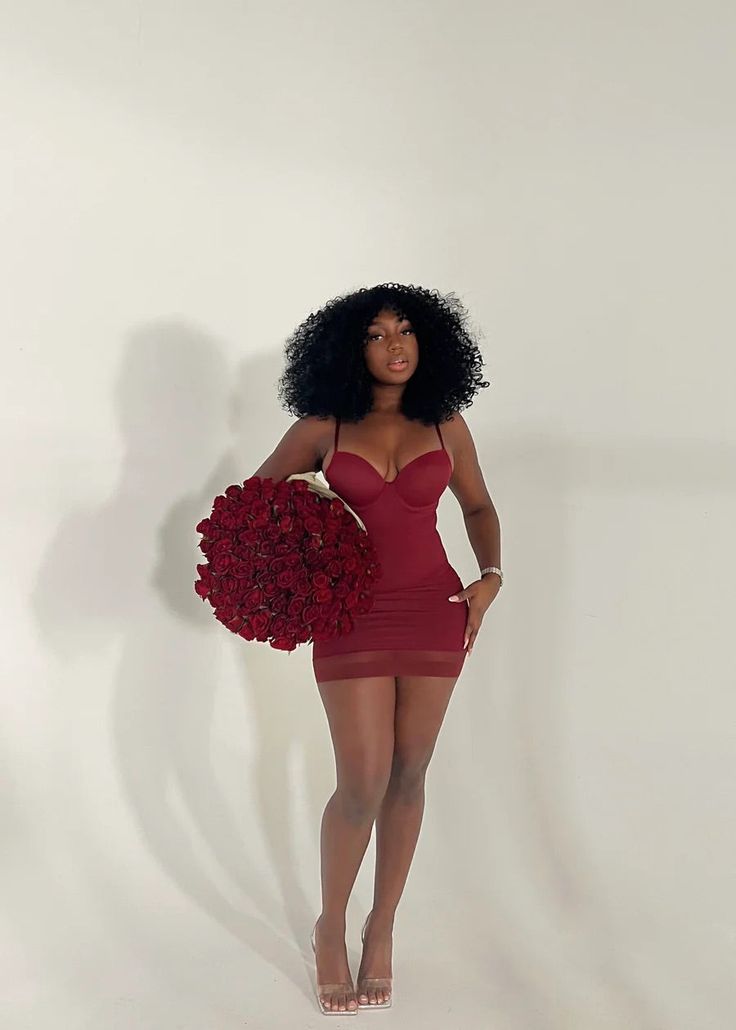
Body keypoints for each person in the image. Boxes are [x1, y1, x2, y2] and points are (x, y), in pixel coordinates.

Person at [252, 282, 502, 1014]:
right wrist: (316, 508)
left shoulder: (445, 423)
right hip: (350, 614)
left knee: (409, 772)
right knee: (360, 781)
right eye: (375, 334)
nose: (394, 346)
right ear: (347, 349)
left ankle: (382, 926)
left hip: (435, 609)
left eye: (405, 331)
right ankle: (330, 926)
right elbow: (255, 510)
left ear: (427, 342)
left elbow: (478, 505)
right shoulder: (321, 427)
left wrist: (490, 576)